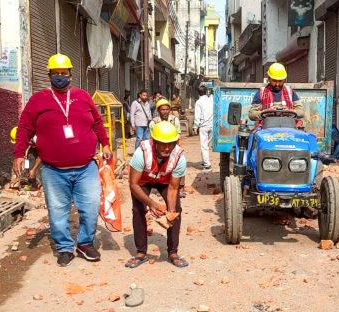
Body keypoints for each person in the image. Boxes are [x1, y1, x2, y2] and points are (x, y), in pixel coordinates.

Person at [13, 54, 112, 267]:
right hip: (53, 170)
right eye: (55, 73)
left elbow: (97, 122)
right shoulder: (38, 100)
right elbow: (24, 128)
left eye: (63, 73)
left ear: (70, 75)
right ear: (49, 75)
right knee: (58, 211)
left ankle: (85, 243)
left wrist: (105, 143)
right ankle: (65, 248)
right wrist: (19, 154)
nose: (60, 77)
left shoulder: (83, 96)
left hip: (86, 167)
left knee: (91, 207)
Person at [125, 121, 188, 268]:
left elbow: (173, 188)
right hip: (142, 181)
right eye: (163, 144)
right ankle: (141, 251)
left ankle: (173, 252)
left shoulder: (179, 157)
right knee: (138, 209)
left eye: (171, 144)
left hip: (165, 181)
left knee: (176, 211)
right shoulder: (142, 152)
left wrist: (171, 211)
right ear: (154, 142)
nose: (167, 148)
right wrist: (151, 204)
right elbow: (133, 184)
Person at [194, 86, 214, 172]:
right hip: (212, 126)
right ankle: (205, 161)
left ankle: (207, 166)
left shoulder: (199, 102)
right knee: (206, 145)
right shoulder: (211, 100)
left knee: (204, 146)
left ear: (198, 93)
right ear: (206, 92)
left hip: (203, 127)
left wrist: (195, 127)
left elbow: (197, 116)